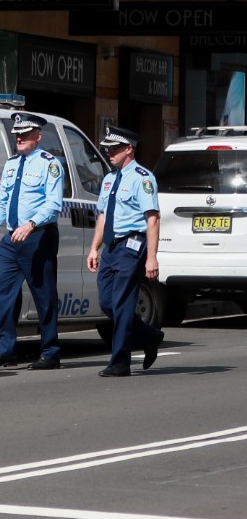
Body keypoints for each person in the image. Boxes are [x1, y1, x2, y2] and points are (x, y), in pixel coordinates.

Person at [0, 111, 65, 370]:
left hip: (38, 236)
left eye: (25, 134)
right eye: (17, 134)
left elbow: (54, 204)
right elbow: (2, 200)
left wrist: (31, 224)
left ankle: (50, 352)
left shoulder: (50, 163)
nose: (19, 138)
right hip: (12, 237)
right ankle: (4, 350)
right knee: (2, 293)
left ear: (38, 136)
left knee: (44, 295)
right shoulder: (11, 164)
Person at [88, 124, 163, 378]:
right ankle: (149, 335)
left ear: (129, 149)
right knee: (107, 302)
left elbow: (152, 219)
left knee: (121, 301)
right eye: (108, 148)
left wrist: (151, 257)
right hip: (112, 246)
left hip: (132, 245)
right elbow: (102, 216)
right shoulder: (109, 179)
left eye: (114, 149)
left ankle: (120, 361)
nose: (109, 153)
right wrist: (94, 248)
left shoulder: (142, 178)